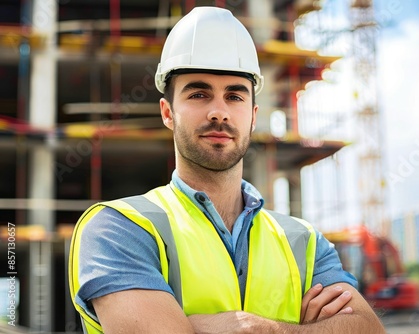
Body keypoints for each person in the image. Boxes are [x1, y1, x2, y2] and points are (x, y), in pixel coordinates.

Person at [69, 6, 385, 333]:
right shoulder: (120, 227)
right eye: (199, 93)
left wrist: (262, 329)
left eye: (234, 95)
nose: (219, 112)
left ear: (253, 114)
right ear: (167, 113)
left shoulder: (303, 242)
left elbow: (368, 329)